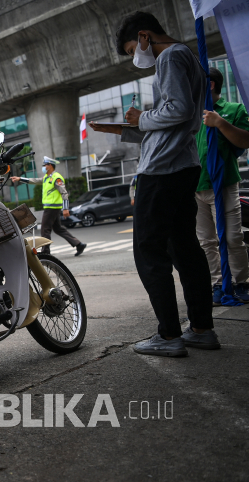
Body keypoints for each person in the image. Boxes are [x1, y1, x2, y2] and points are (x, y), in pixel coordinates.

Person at [89, 11, 217, 356]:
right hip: (182, 163)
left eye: (134, 49)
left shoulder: (171, 56)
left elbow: (176, 110)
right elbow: (176, 121)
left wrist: (141, 117)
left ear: (145, 36)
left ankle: (169, 335)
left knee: (148, 251)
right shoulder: (188, 57)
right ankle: (202, 328)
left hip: (160, 170)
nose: (136, 57)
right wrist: (121, 128)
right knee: (184, 249)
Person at [193, 67, 249, 305]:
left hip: (223, 184)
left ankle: (241, 282)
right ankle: (217, 283)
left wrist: (220, 123)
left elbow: (245, 141)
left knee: (232, 237)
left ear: (211, 85)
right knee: (206, 242)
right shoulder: (192, 113)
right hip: (194, 188)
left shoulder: (233, 110)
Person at [11, 157, 87, 255]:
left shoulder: (56, 177)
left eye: (45, 165)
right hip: (51, 207)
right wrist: (20, 179)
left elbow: (64, 193)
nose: (44, 167)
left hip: (52, 208)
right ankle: (78, 244)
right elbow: (35, 180)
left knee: (45, 229)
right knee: (58, 229)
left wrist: (65, 208)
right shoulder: (47, 177)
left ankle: (45, 251)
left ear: (50, 165)